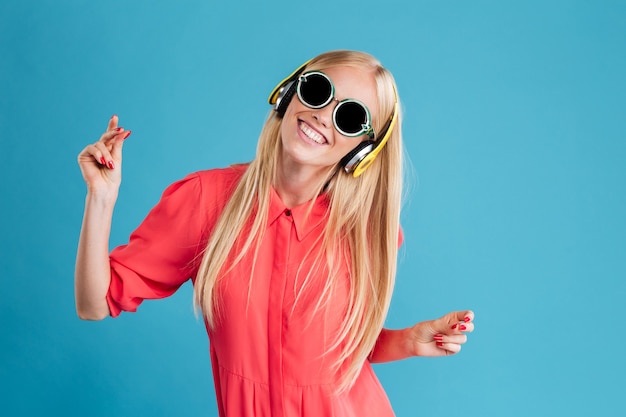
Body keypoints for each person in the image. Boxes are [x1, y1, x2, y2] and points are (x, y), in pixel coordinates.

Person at [75, 50, 474, 417]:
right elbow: (94, 304)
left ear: (363, 148)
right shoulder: (205, 202)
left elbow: (340, 349)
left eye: (349, 117)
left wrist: (408, 341)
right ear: (288, 93)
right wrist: (101, 200)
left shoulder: (365, 232)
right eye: (317, 91)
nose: (323, 115)